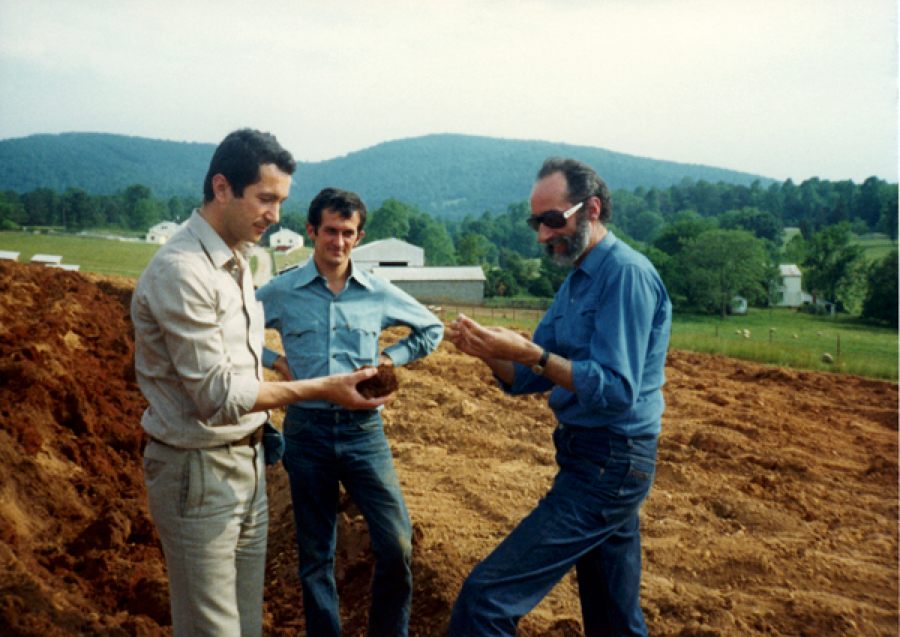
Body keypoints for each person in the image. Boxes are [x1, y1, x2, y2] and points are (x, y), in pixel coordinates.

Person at [131, 129, 390, 637]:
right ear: (223, 188)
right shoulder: (184, 271)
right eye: (265, 198)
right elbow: (218, 396)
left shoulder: (235, 262)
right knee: (213, 630)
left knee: (246, 626)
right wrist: (322, 387)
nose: (275, 215)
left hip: (247, 459)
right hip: (197, 472)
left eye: (281, 201)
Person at [446, 157, 672, 636]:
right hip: (590, 456)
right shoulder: (576, 281)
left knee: (486, 600)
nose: (543, 235)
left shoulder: (625, 275)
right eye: (536, 223)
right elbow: (529, 375)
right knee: (613, 620)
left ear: (591, 208)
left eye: (552, 220)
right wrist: (488, 350)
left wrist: (532, 353)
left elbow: (616, 391)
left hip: (610, 461)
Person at [255, 187, 443, 637]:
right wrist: (273, 360)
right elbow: (232, 327)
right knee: (316, 553)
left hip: (363, 432)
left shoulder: (377, 292)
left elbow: (431, 328)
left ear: (358, 237)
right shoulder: (282, 291)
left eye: (348, 233)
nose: (337, 242)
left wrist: (390, 360)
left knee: (396, 544)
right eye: (330, 231)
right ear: (311, 231)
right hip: (307, 430)